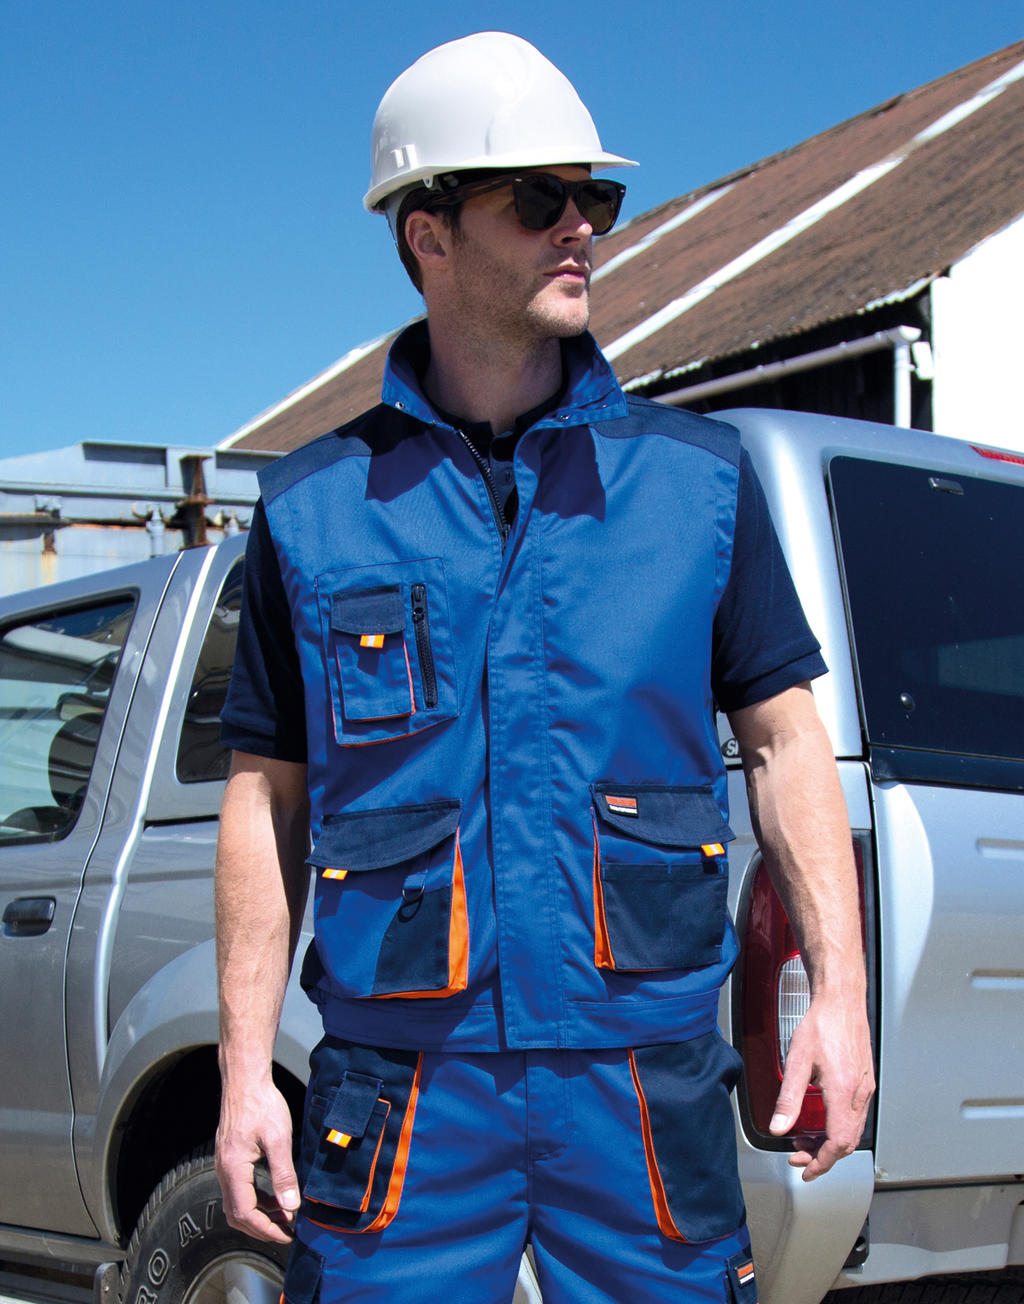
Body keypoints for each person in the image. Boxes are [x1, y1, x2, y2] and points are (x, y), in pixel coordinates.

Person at [214, 30, 874, 1304]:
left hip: (637, 1082)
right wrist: (247, 1068)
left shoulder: (696, 484)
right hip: (402, 1087)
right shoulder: (314, 508)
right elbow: (266, 796)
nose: (580, 227)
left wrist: (835, 1000)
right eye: (536, 199)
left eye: (595, 198)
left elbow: (786, 739)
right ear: (427, 232)